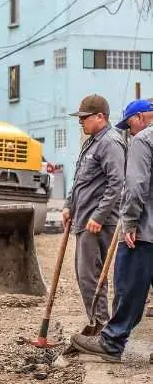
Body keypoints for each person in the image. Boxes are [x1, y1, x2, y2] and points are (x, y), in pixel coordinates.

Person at [71, 99, 153, 361]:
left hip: (142, 230)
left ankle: (112, 340)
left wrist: (128, 221)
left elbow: (132, 184)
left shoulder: (141, 140)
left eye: (130, 125)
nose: (129, 131)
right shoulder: (95, 142)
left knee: (127, 285)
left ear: (140, 117)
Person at [62, 95, 126, 328]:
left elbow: (117, 183)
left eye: (85, 118)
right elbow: (80, 178)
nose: (81, 122)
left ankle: (101, 325)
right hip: (83, 218)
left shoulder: (110, 142)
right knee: (84, 275)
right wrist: (69, 205)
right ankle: (97, 322)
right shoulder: (91, 141)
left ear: (100, 117)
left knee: (91, 275)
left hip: (98, 222)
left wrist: (98, 216)